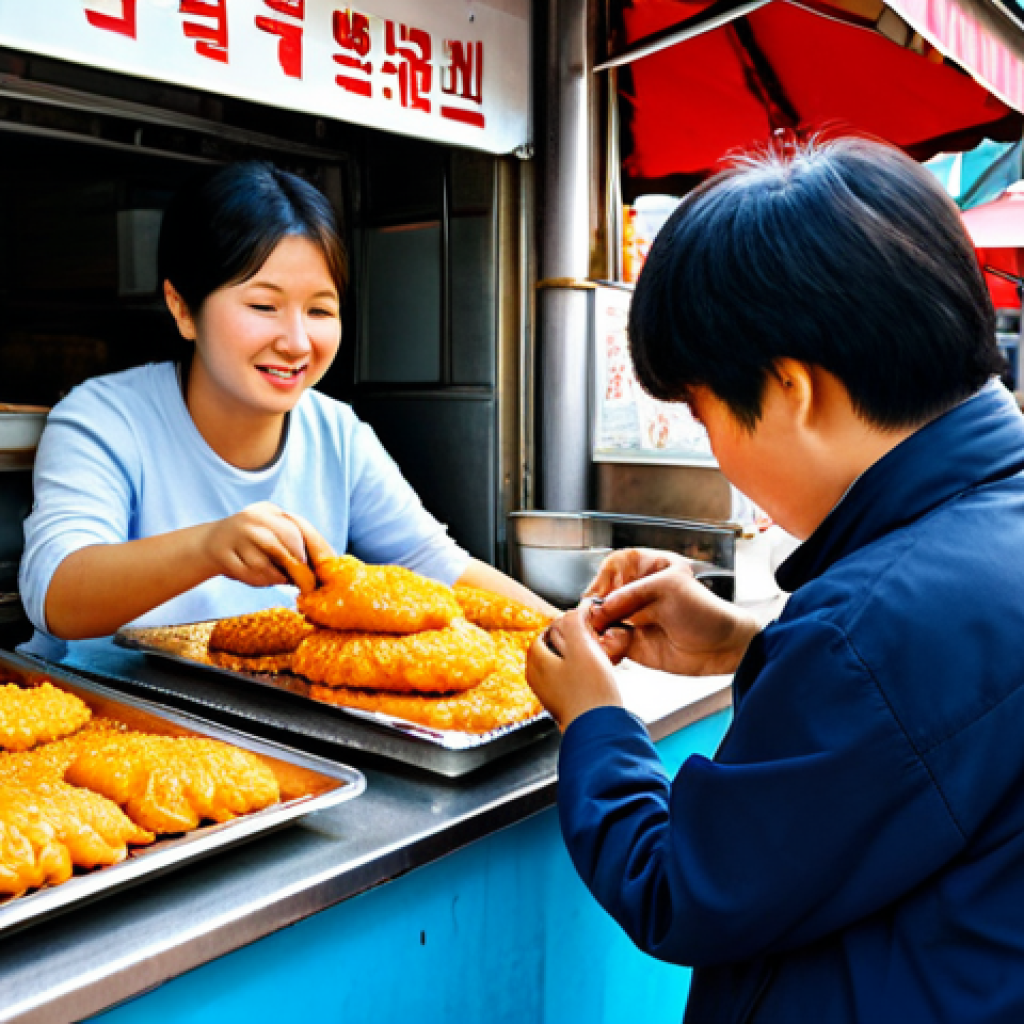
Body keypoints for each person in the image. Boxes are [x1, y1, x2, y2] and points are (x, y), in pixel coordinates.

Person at [527, 137, 1024, 1022]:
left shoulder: (873, 629)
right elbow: (936, 726)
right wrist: (750, 641)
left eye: (703, 410)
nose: (711, 446)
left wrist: (594, 720)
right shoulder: (988, 531)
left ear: (790, 390)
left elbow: (680, 884)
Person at [20, 161, 549, 663]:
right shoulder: (104, 417)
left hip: (267, 720)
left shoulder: (336, 433)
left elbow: (433, 565)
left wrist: (570, 629)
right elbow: (57, 595)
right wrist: (209, 546)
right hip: (108, 719)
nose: (296, 342)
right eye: (263, 306)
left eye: (320, 309)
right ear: (183, 308)